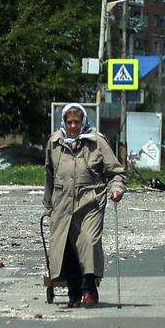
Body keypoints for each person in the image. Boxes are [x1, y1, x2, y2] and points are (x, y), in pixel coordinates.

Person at [43, 103, 125, 307]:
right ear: (64, 122)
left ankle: (89, 288)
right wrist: (48, 205)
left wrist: (117, 188)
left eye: (76, 122)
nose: (72, 126)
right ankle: (73, 293)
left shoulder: (96, 142)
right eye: (69, 122)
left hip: (91, 200)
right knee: (66, 247)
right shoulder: (55, 142)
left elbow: (116, 172)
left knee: (89, 241)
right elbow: (49, 175)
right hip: (62, 202)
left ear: (83, 122)